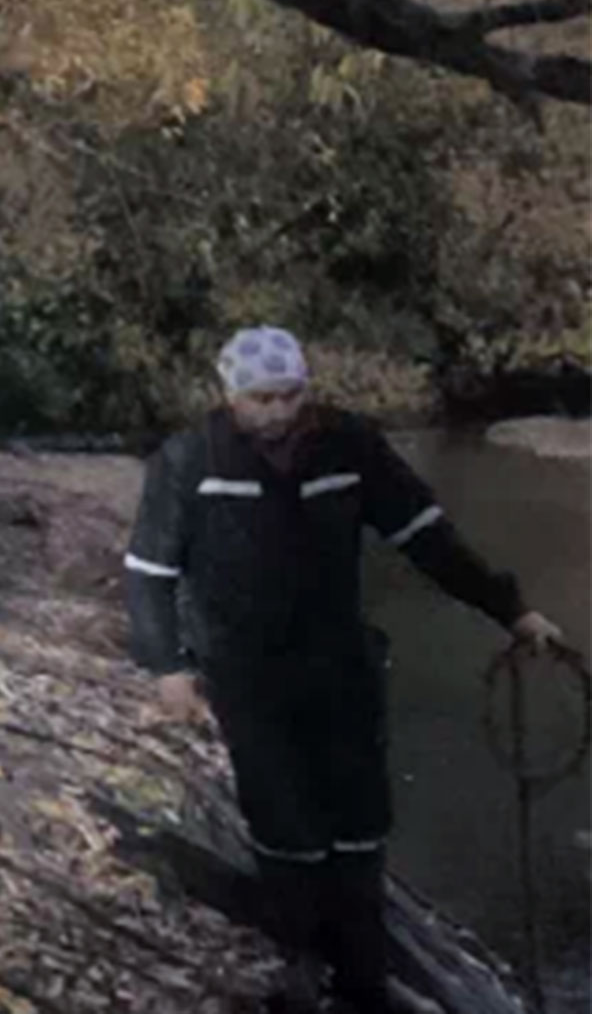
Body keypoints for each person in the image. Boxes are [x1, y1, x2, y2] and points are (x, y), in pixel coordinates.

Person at [123, 326, 564, 1014]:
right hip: (246, 673)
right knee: (285, 825)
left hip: (340, 664)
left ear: (308, 389)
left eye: (289, 395)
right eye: (260, 398)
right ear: (230, 395)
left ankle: (362, 977)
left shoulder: (349, 445)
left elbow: (426, 537)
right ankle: (300, 966)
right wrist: (167, 668)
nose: (276, 412)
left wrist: (510, 610)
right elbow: (148, 573)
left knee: (360, 822)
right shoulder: (189, 460)